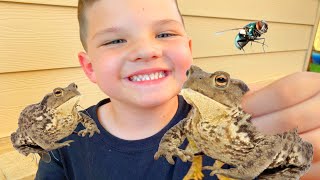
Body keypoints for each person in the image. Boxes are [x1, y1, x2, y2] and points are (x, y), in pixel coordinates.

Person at [36, 0, 320, 179]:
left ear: (189, 50)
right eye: (115, 40)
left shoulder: (236, 125)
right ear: (90, 68)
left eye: (164, 34)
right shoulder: (65, 139)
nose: (146, 50)